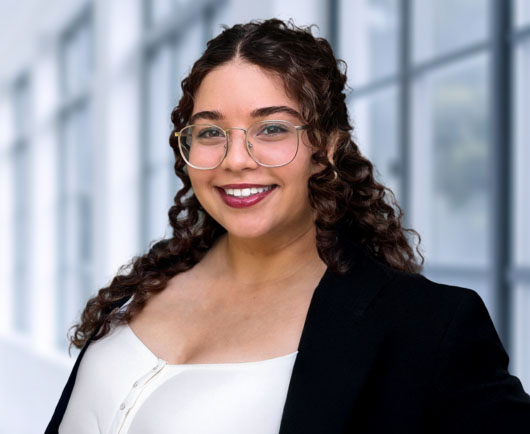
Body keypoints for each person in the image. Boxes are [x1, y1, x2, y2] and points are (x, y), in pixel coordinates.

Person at [46, 19, 530, 434]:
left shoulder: (424, 328)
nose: (236, 159)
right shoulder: (144, 290)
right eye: (212, 132)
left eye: (272, 129)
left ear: (327, 148)